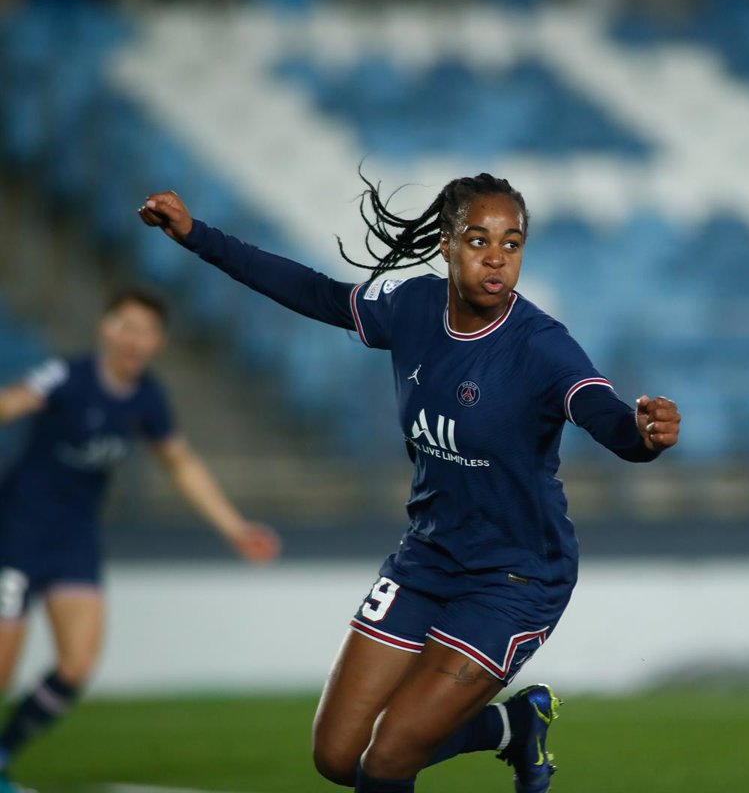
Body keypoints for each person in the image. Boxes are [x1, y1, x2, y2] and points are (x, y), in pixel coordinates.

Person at [139, 173, 681, 793]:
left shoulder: (541, 346)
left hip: (514, 577)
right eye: (478, 240)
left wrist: (643, 433)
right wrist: (197, 235)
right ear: (447, 244)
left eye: (512, 243)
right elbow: (316, 294)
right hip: (426, 558)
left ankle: (494, 728)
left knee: (389, 755)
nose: (496, 257)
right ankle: (511, 726)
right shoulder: (413, 305)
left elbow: (605, 415)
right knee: (338, 756)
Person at [0, 287, 279, 792]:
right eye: (126, 326)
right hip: (16, 533)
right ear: (105, 329)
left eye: (146, 331)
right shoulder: (66, 376)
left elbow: (180, 463)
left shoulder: (147, 397)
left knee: (76, 664)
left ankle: (2, 756)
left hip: (75, 540)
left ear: (159, 342)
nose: (134, 339)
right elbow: (11, 402)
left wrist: (235, 527)